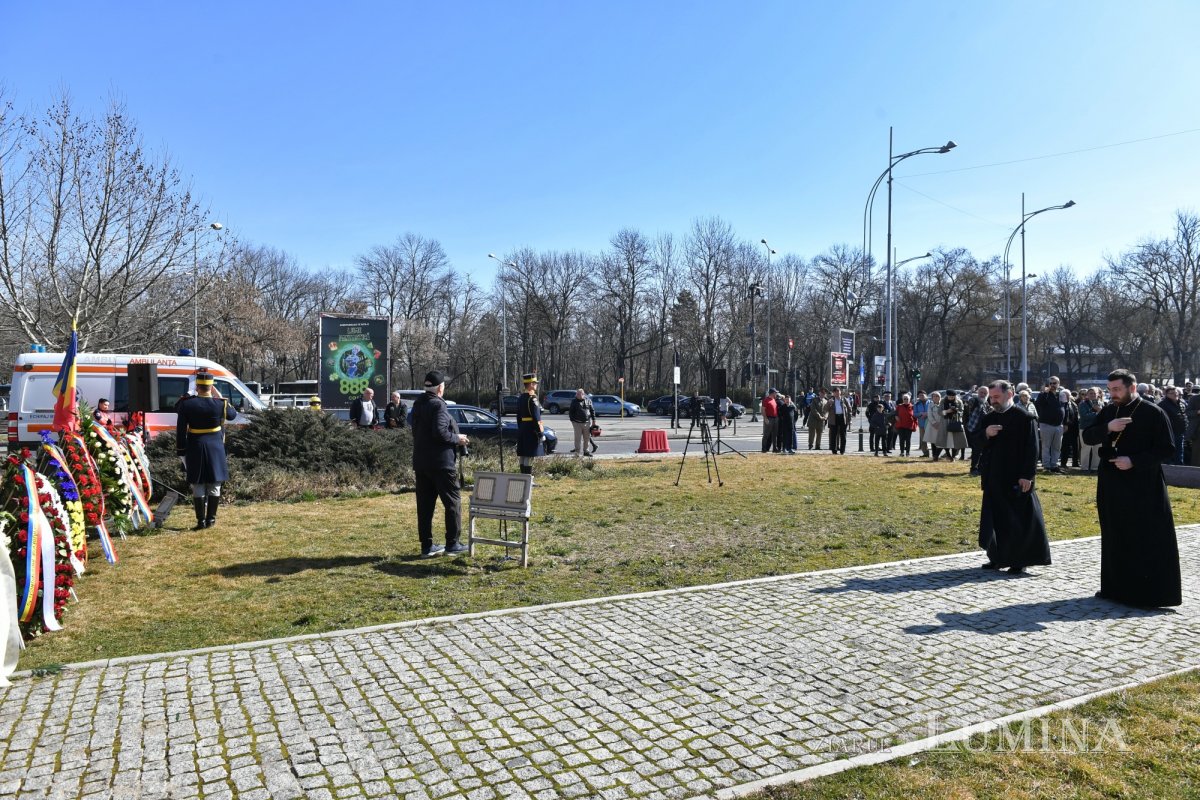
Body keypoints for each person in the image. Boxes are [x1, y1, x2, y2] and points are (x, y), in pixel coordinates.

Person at [1081, 369, 1181, 607]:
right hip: (1111, 482)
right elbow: (1088, 437)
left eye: (1117, 389)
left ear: (1132, 388)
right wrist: (1108, 428)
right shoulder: (1108, 411)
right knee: (1115, 531)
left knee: (1142, 535)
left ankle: (1144, 592)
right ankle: (1115, 587)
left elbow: (1167, 449)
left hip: (1143, 484)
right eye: (1110, 390)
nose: (1112, 394)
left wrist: (1134, 461)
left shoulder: (1153, 412)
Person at [977, 380, 1051, 574]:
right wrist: (986, 433)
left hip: (1016, 478)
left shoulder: (1024, 418)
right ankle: (996, 556)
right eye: (991, 397)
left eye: (996, 397)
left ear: (1009, 395)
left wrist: (1027, 475)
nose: (993, 401)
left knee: (1017, 521)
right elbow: (975, 441)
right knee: (995, 519)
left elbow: (1032, 449)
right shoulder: (988, 418)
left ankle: (1018, 560)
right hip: (993, 477)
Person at [411, 370, 470, 558]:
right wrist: (458, 439)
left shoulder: (418, 404)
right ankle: (452, 543)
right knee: (453, 502)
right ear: (440, 388)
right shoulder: (439, 406)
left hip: (421, 462)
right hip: (442, 464)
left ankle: (426, 546)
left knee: (425, 506)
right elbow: (440, 433)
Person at [175, 371, 237, 530]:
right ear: (211, 386)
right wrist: (218, 394)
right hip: (215, 447)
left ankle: (200, 521)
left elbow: (181, 430)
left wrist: (181, 450)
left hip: (195, 446)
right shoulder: (220, 403)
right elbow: (232, 415)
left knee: (198, 483)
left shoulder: (186, 404)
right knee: (215, 484)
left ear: (197, 387)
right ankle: (211, 520)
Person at [1034, 376, 1065, 473]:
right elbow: (1038, 404)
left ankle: (1054, 465)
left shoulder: (1061, 395)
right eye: (1050, 383)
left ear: (1058, 384)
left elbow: (1065, 409)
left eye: (1054, 383)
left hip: (1059, 425)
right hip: (1046, 424)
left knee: (1057, 447)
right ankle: (1047, 465)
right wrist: (1044, 393)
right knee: (1046, 446)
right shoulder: (1043, 394)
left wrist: (1066, 422)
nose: (1052, 385)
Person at [516, 373, 544, 475]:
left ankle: (523, 477)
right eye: (535, 383)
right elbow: (537, 418)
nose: (536, 385)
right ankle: (528, 479)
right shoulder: (532, 398)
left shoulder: (521, 398)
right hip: (531, 429)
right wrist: (540, 433)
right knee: (529, 455)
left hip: (523, 428)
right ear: (531, 384)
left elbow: (518, 416)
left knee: (523, 454)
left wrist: (521, 429)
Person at [1159, 385, 1187, 465]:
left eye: (1176, 393)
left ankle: (1180, 469)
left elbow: (1184, 416)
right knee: (1169, 453)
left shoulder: (1181, 403)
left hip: (1180, 432)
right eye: (1172, 393)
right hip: (1169, 433)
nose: (1175, 395)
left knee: (1179, 453)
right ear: (1166, 394)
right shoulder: (1162, 405)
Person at [1077, 387, 1104, 472]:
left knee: (1097, 449)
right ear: (1087, 395)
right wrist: (1097, 412)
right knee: (1086, 449)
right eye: (1090, 393)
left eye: (1094, 393)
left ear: (1098, 394)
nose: (1092, 395)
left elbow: (1104, 416)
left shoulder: (1101, 403)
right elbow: (1084, 416)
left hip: (1098, 429)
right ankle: (1084, 468)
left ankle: (1094, 468)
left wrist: (1100, 411)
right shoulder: (1083, 404)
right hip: (1086, 429)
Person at [965, 386, 990, 476]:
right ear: (978, 392)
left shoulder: (986, 403)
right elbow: (965, 399)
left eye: (985, 393)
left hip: (983, 430)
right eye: (981, 392)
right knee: (976, 451)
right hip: (974, 429)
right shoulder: (974, 400)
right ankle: (973, 469)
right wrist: (971, 391)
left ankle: (980, 468)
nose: (983, 395)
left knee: (983, 451)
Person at [568, 388, 597, 456]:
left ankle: (586, 452)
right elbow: (571, 412)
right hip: (577, 423)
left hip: (587, 423)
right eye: (577, 394)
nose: (577, 395)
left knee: (586, 438)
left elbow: (592, 411)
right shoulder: (574, 401)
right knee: (577, 438)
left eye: (579, 394)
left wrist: (594, 420)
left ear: (583, 394)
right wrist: (573, 421)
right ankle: (577, 452)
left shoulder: (588, 401)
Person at [941, 390, 968, 460]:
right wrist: (946, 411)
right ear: (947, 396)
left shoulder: (959, 401)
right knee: (945, 440)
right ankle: (948, 454)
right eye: (950, 397)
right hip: (946, 421)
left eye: (953, 397)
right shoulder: (943, 401)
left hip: (956, 422)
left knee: (956, 440)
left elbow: (962, 411)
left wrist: (956, 412)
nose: (951, 398)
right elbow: (939, 412)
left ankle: (954, 456)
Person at [1059, 388, 1080, 470]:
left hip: (1074, 428)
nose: (1066, 397)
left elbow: (1076, 415)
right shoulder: (1061, 404)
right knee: (1065, 446)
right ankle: (1063, 463)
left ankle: (1075, 462)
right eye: (1064, 395)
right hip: (1066, 428)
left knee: (1075, 446)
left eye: (1067, 395)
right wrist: (1065, 424)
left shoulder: (1073, 404)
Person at [827, 387, 852, 455]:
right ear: (833, 393)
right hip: (834, 419)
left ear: (840, 392)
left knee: (843, 435)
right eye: (836, 392)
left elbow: (849, 409)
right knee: (833, 435)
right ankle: (834, 450)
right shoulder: (831, 400)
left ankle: (842, 450)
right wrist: (829, 403)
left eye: (838, 392)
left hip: (842, 418)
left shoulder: (844, 400)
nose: (837, 393)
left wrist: (849, 419)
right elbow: (825, 409)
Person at [925, 391, 946, 460]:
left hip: (942, 425)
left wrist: (941, 423)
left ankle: (938, 454)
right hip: (932, 425)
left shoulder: (943, 404)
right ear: (932, 398)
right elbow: (929, 415)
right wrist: (934, 423)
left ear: (940, 397)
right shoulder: (930, 405)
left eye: (937, 396)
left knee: (941, 441)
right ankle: (934, 455)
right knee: (933, 441)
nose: (936, 398)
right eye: (934, 396)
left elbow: (945, 414)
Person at [913, 390, 931, 457]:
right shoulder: (916, 404)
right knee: (923, 439)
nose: (921, 396)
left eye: (923, 395)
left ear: (926, 395)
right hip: (921, 424)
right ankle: (925, 453)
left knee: (933, 439)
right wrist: (920, 414)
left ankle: (935, 453)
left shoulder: (931, 402)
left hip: (931, 423)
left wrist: (927, 414)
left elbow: (934, 412)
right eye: (920, 395)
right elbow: (914, 414)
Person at [761, 388, 779, 453]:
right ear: (772, 393)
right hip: (769, 418)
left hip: (775, 418)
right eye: (775, 393)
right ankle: (764, 448)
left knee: (774, 434)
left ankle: (774, 448)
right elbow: (763, 410)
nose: (776, 394)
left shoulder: (774, 399)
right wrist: (765, 418)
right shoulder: (766, 400)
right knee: (766, 434)